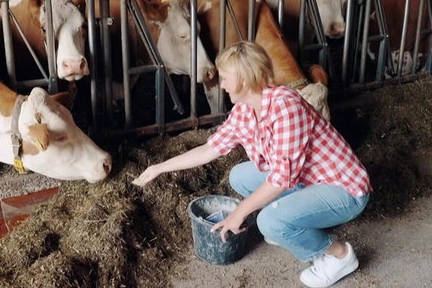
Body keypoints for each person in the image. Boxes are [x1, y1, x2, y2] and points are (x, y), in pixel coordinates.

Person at [132, 41, 371, 288]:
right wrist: (158, 168)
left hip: (343, 189)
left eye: (225, 78)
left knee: (268, 221)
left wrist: (240, 213)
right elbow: (208, 150)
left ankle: (338, 255)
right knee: (240, 175)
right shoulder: (244, 111)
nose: (221, 84)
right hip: (307, 180)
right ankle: (289, 221)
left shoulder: (286, 106)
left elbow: (282, 178)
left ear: (244, 80)